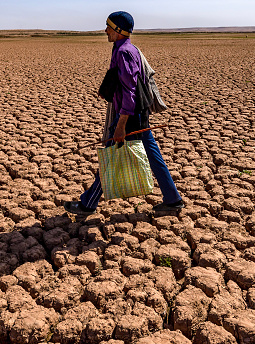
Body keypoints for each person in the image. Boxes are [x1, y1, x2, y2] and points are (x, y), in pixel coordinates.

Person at [64, 11, 184, 216]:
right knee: (153, 156)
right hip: (138, 115)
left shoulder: (124, 52)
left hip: (129, 117)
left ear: (118, 30)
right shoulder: (125, 48)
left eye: (109, 27)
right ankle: (172, 200)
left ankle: (87, 205)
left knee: (110, 157)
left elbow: (129, 91)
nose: (105, 31)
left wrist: (120, 125)